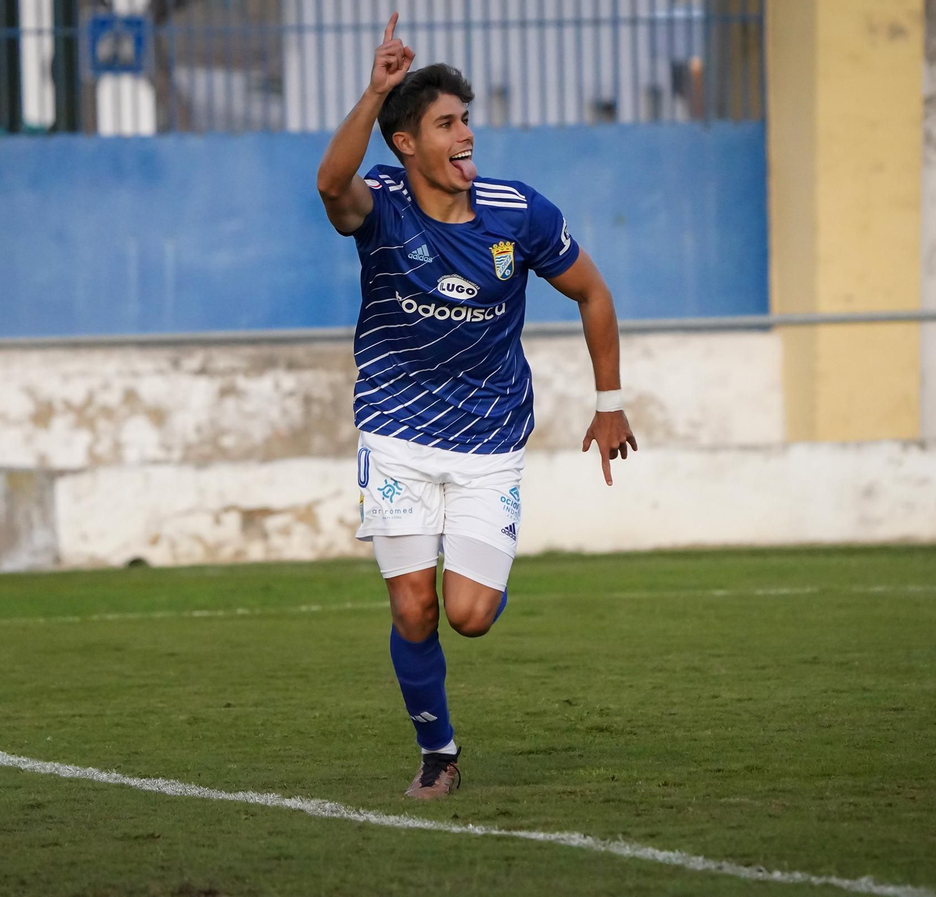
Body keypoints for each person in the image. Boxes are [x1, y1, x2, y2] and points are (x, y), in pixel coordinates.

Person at [315, 13, 636, 799]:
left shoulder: (516, 212)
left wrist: (609, 402)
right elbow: (329, 185)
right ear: (406, 143)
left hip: (490, 438)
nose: (465, 136)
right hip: (396, 430)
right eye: (446, 124)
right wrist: (374, 91)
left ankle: (479, 571)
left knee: (470, 614)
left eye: (465, 121)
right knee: (413, 607)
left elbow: (593, 292)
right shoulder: (381, 205)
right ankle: (439, 754)